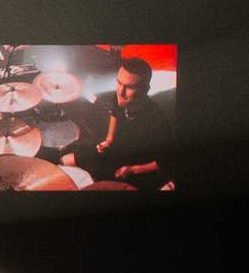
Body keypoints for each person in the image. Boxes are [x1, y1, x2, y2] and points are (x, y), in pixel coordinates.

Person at [64, 54, 170, 188]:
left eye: (130, 87)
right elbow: (110, 137)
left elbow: (165, 162)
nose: (121, 92)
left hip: (135, 166)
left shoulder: (157, 121)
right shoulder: (117, 97)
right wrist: (106, 143)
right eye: (119, 82)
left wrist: (133, 169)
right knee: (65, 160)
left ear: (145, 90)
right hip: (116, 153)